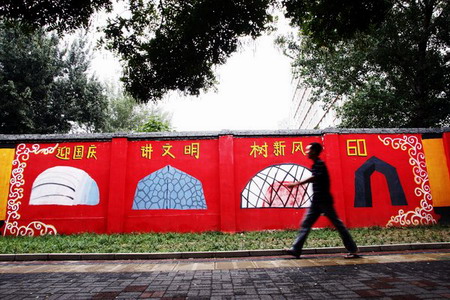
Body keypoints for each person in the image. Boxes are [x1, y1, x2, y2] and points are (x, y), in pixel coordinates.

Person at [284, 142, 359, 259]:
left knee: (338, 224)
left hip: (324, 201)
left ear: (314, 151)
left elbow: (315, 177)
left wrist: (297, 183)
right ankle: (296, 249)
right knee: (306, 224)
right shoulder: (316, 165)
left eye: (308, 150)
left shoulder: (320, 164)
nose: (306, 152)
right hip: (317, 201)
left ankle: (353, 249)